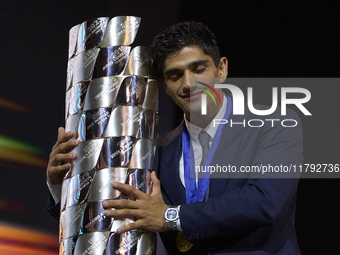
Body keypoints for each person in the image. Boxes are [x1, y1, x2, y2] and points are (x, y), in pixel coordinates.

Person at [47, 21, 303, 254]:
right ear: (164, 86)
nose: (188, 83)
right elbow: (112, 214)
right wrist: (63, 184)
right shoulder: (155, 150)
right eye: (175, 75)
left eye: (198, 68)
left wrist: (171, 216)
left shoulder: (275, 124)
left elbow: (264, 201)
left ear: (221, 69)